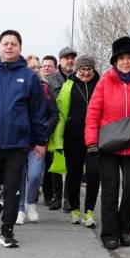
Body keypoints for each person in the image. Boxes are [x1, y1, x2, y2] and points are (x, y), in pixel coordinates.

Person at [0, 30, 48, 248]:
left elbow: (38, 112)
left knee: (13, 188)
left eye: (14, 44)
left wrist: (40, 141)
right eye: (5, 43)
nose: (9, 47)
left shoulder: (29, 77)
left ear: (20, 48)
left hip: (18, 144)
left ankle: (7, 231)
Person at [85, 37, 130, 249]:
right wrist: (91, 141)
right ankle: (110, 233)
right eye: (121, 58)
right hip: (108, 145)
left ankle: (125, 228)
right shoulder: (105, 81)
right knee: (110, 190)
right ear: (115, 61)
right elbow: (93, 113)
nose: (126, 62)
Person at [54, 55, 101, 227]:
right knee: (73, 174)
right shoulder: (68, 85)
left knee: (94, 174)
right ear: (77, 69)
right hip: (73, 137)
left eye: (89, 69)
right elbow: (61, 112)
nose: (86, 73)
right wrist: (58, 138)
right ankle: (74, 209)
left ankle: (89, 212)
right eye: (82, 69)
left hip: (96, 137)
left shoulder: (100, 85)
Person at [17, 53, 55, 225]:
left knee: (34, 176)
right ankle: (20, 209)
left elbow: (54, 113)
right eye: (32, 67)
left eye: (38, 67)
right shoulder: (17, 86)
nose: (36, 70)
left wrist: (46, 127)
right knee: (19, 176)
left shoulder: (46, 88)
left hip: (38, 141)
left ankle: (30, 202)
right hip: (17, 140)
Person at [42, 47, 76, 210]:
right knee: (55, 163)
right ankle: (56, 197)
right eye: (66, 58)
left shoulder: (78, 78)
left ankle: (69, 199)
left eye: (72, 58)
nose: (70, 61)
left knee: (71, 164)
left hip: (73, 127)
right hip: (55, 127)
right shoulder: (50, 80)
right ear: (60, 60)